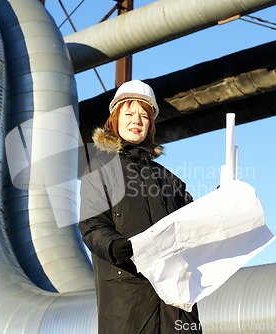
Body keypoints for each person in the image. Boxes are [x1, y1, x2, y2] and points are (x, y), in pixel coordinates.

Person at [79, 80, 202, 333]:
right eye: (130, 113)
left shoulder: (169, 179)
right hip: (129, 305)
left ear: (151, 124)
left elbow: (195, 223)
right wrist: (116, 246)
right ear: (115, 119)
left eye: (144, 115)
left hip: (176, 306)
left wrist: (221, 205)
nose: (137, 120)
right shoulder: (100, 170)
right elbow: (92, 224)